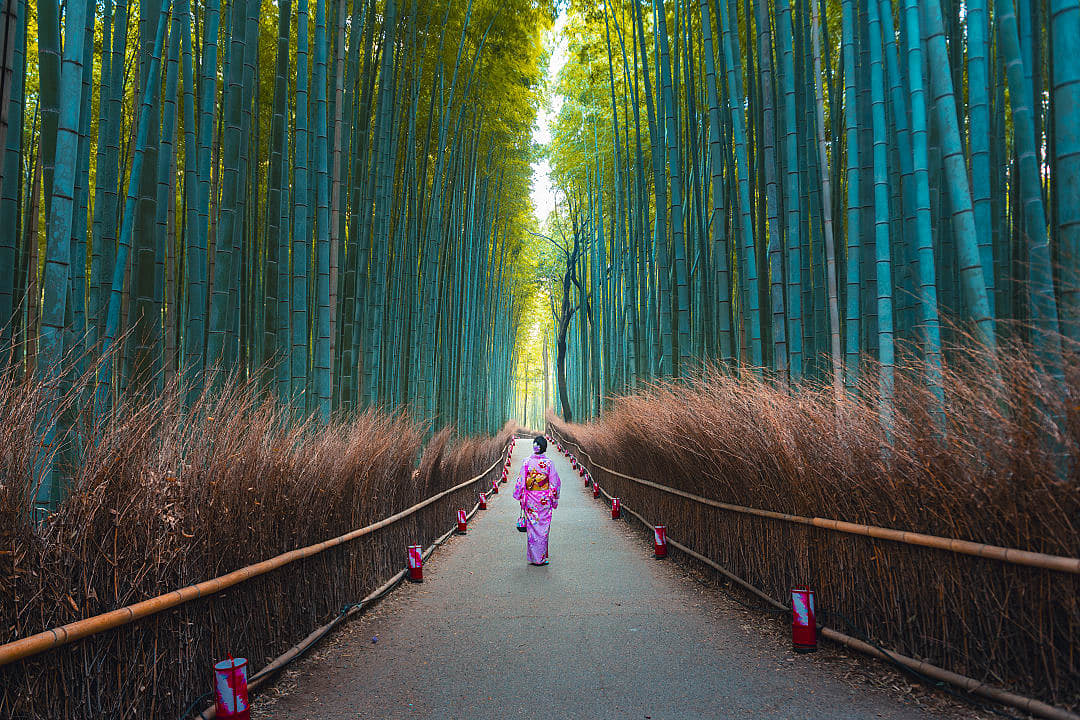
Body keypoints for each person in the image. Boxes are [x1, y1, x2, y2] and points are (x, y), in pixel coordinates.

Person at [513, 435, 561, 566]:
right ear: (544, 448)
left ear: (535, 446)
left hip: (530, 500)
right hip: (544, 499)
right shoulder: (549, 463)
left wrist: (520, 496)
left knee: (533, 529)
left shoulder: (526, 462)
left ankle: (534, 558)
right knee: (543, 529)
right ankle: (541, 558)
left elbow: (521, 482)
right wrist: (553, 498)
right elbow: (554, 482)